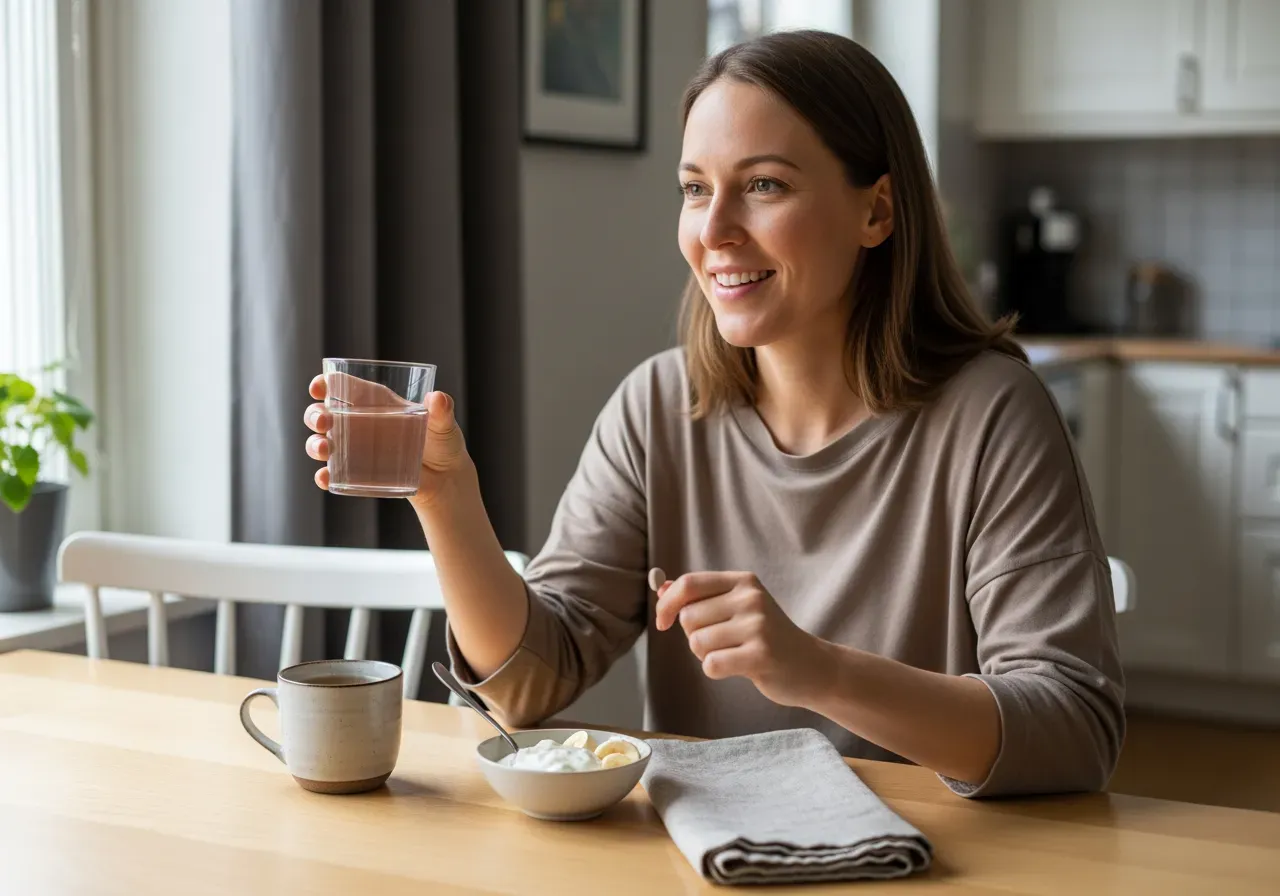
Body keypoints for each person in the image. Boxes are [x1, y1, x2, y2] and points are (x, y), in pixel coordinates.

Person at [303, 30, 1124, 798]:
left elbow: (1073, 730)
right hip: (710, 857)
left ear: (877, 211)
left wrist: (823, 673)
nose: (715, 231)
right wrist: (445, 498)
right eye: (696, 189)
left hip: (927, 861)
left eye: (764, 185)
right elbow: (527, 685)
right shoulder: (657, 407)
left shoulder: (991, 415)